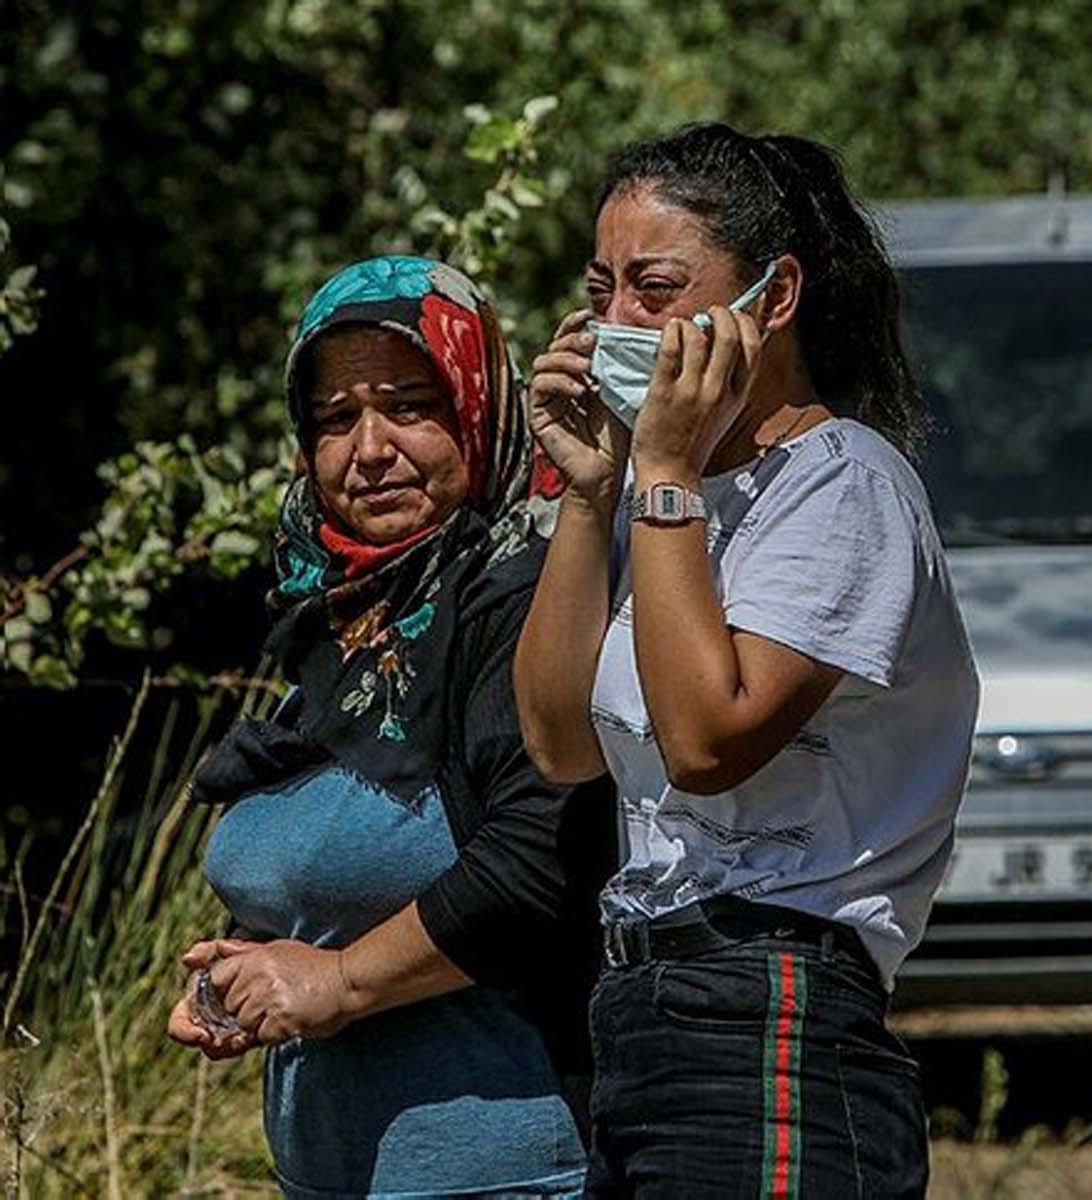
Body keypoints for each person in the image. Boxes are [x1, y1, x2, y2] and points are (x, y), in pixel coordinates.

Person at [514, 122, 978, 1199]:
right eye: (603, 288)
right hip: (641, 1010)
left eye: (657, 288)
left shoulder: (842, 487)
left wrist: (664, 469)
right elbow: (557, 742)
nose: (618, 320)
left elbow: (709, 740)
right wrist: (593, 494)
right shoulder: (657, 503)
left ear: (771, 300)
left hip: (773, 1011)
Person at [165, 255, 615, 1199]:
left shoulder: (520, 599)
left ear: (479, 409)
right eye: (335, 420)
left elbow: (539, 865)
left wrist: (335, 982)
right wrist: (250, 968)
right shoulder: (343, 623)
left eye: (410, 406)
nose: (369, 449)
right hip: (333, 1172)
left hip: (505, 1171)